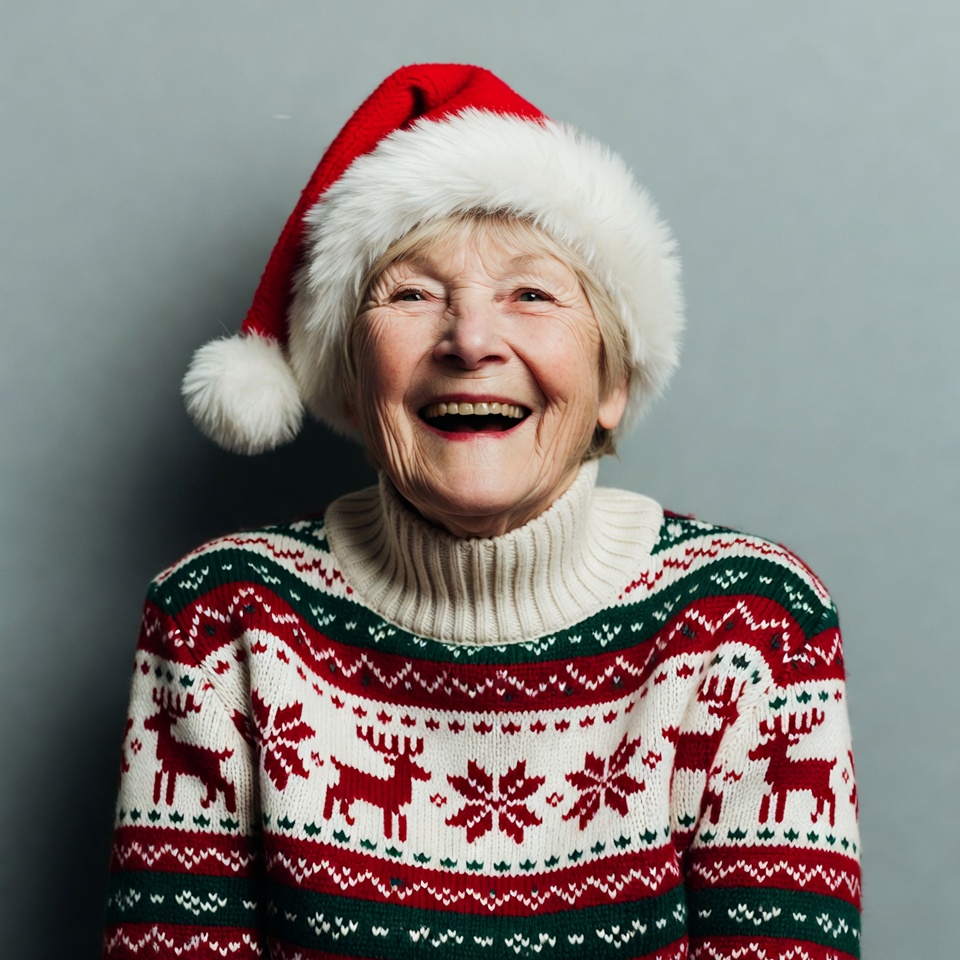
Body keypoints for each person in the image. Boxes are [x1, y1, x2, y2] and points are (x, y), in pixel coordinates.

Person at [103, 65, 860, 960]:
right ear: (351, 375)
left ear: (613, 382)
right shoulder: (220, 619)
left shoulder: (754, 623)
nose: (469, 341)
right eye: (413, 294)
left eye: (531, 294)